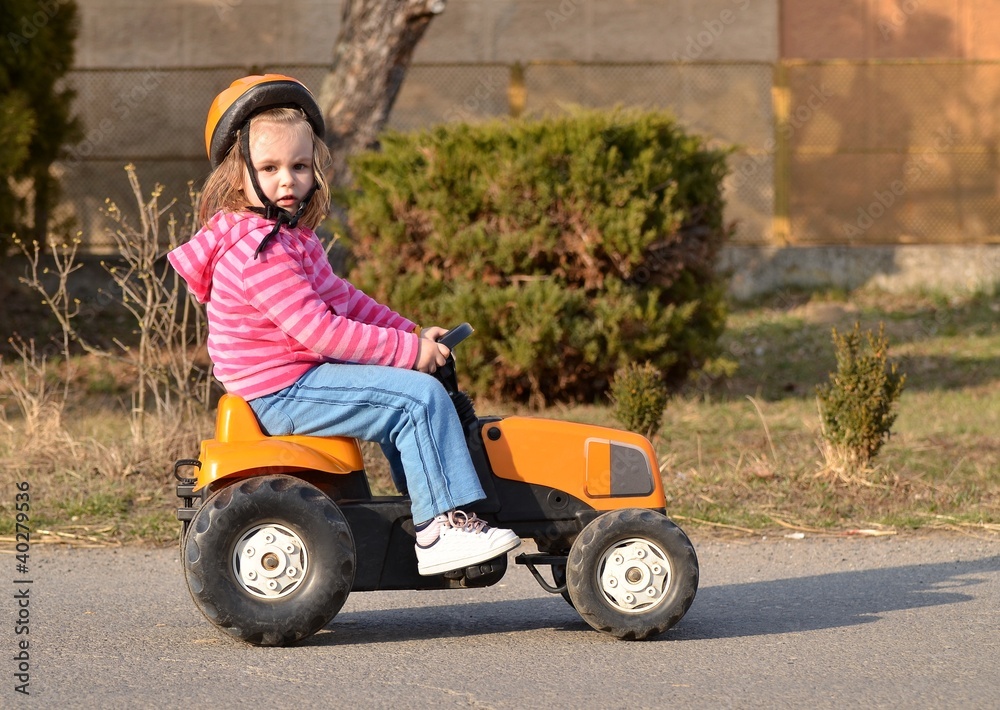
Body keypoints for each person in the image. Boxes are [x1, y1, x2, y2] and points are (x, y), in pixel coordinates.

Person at [167, 74, 519, 576]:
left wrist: (412, 333)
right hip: (282, 389)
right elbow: (322, 331)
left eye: (299, 166)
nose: (287, 180)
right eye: (269, 168)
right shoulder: (259, 251)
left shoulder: (291, 238)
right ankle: (442, 527)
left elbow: (344, 300)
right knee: (417, 398)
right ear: (237, 176)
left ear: (315, 170)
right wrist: (405, 353)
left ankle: (429, 507)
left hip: (293, 378)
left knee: (414, 388)